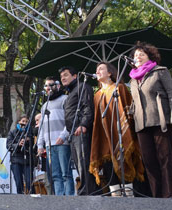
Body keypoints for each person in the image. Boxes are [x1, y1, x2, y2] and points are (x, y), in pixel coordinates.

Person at [89, 62, 145, 196]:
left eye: (101, 69)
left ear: (110, 73)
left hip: (121, 135)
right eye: (96, 70)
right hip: (104, 138)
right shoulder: (96, 95)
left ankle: (129, 198)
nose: (97, 71)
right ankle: (115, 198)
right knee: (109, 168)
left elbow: (128, 111)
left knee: (125, 163)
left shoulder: (119, 88)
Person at [129, 42, 172, 198]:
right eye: (135, 55)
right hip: (141, 124)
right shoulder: (133, 79)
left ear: (150, 56)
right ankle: (156, 198)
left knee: (165, 159)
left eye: (141, 54)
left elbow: (171, 94)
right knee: (149, 162)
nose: (137, 57)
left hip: (161, 121)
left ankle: (168, 197)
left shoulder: (160, 71)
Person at [59, 66, 98, 195]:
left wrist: (83, 125)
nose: (62, 78)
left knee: (84, 163)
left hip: (81, 131)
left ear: (75, 76)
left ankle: (87, 192)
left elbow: (88, 107)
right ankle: (85, 191)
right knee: (79, 165)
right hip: (72, 133)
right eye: (61, 76)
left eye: (66, 75)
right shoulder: (70, 92)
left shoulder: (83, 87)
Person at [37, 77, 74, 196]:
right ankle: (59, 200)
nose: (48, 88)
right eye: (46, 86)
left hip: (62, 143)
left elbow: (70, 120)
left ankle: (69, 199)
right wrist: (40, 144)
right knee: (55, 175)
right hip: (49, 145)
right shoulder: (44, 105)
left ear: (58, 86)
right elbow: (41, 126)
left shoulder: (65, 99)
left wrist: (63, 136)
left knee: (65, 174)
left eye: (50, 85)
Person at [7, 115, 33, 194]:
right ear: (18, 122)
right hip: (16, 160)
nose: (25, 123)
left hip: (28, 161)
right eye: (23, 121)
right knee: (19, 183)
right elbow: (8, 145)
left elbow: (34, 147)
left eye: (26, 121)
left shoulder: (30, 133)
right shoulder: (12, 132)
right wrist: (18, 144)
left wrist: (29, 141)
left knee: (29, 182)